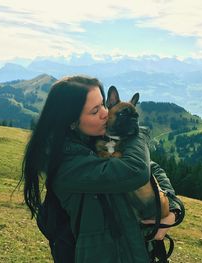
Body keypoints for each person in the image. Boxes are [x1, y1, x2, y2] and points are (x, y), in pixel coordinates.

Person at [22, 75, 181, 263]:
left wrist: (173, 210)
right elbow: (137, 171)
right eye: (95, 110)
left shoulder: (95, 141)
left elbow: (153, 168)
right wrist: (135, 131)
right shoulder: (66, 166)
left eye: (104, 105)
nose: (106, 113)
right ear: (71, 122)